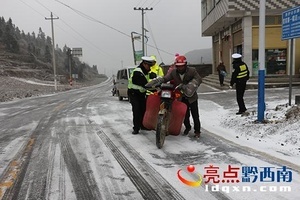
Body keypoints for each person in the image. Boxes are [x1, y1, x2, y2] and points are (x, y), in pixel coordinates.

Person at [146, 55, 202, 138]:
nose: (180, 68)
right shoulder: (174, 73)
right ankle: (187, 127)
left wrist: (189, 86)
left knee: (195, 114)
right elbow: (165, 78)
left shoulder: (192, 71)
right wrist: (157, 81)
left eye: (182, 66)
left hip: (192, 96)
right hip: (181, 96)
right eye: (178, 66)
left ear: (185, 65)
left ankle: (197, 131)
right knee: (185, 114)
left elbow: (198, 79)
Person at [128, 56, 155, 134]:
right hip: (133, 93)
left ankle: (143, 126)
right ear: (144, 64)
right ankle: (136, 128)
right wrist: (155, 89)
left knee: (143, 109)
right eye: (149, 66)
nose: (149, 68)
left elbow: (149, 79)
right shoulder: (137, 72)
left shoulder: (145, 72)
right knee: (136, 110)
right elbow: (145, 85)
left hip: (141, 93)